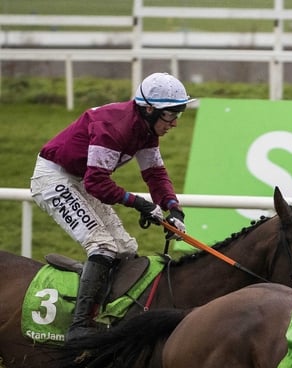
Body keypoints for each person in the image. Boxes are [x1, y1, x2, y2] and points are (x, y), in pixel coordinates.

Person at [30, 72, 192, 342]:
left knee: (126, 249)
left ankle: (107, 307)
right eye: (170, 115)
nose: (174, 123)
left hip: (81, 178)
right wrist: (140, 204)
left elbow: (155, 174)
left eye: (179, 114)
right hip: (54, 178)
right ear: (149, 110)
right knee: (103, 245)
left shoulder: (145, 129)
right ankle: (79, 325)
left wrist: (173, 208)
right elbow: (96, 183)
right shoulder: (114, 128)